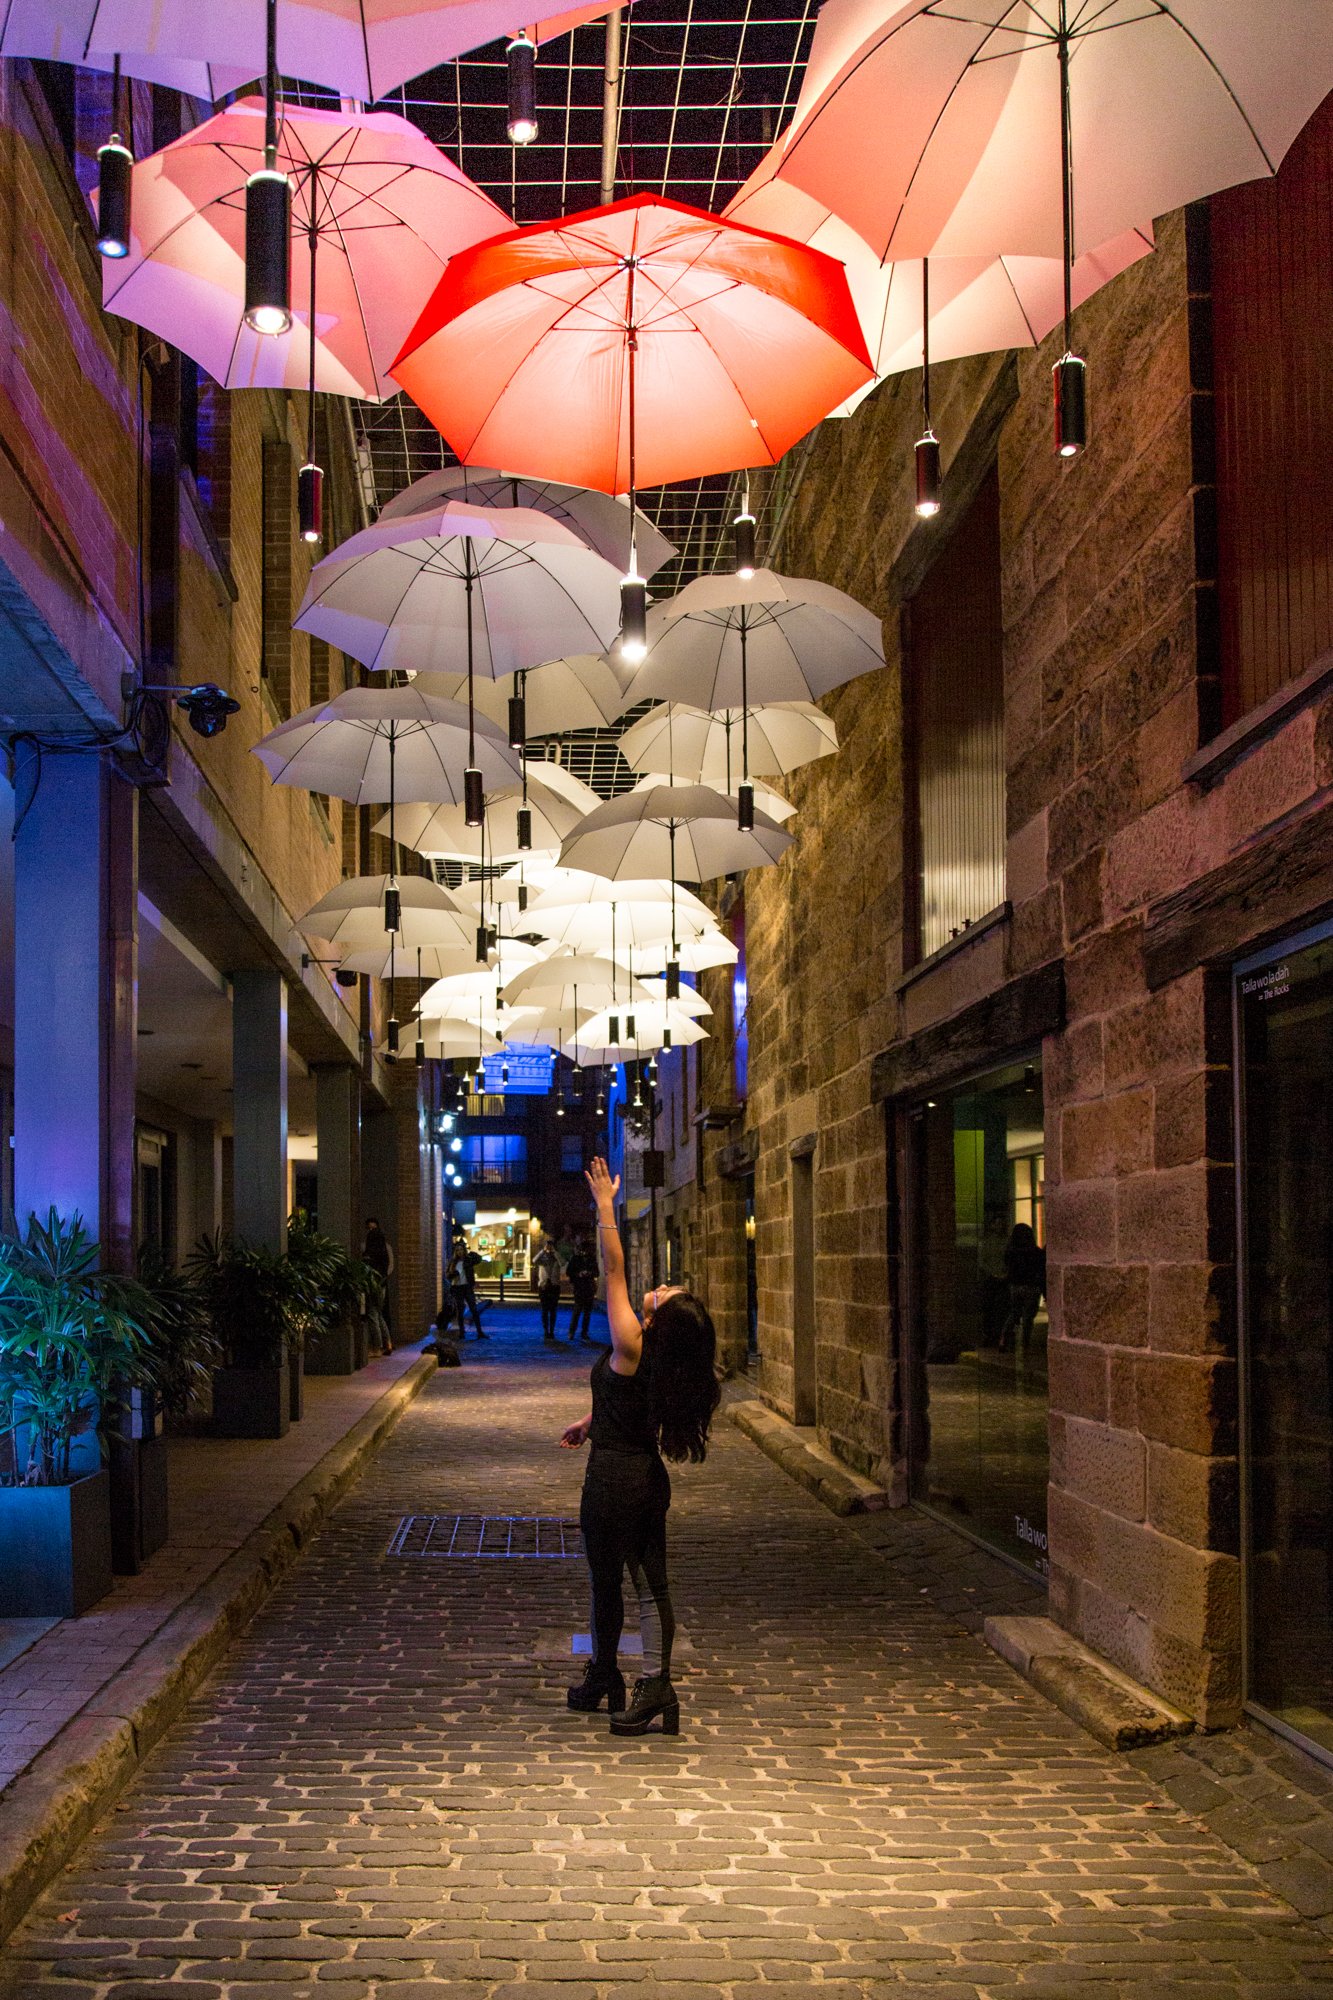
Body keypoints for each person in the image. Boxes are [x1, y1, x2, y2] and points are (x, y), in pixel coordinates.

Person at [559, 1157, 720, 1736]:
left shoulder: (632, 1343)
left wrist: (605, 1205)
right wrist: (589, 1420)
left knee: (609, 1582)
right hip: (645, 1477)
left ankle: (614, 1676)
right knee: (651, 1583)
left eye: (668, 1291)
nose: (661, 1287)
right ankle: (651, 1683)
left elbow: (614, 1270)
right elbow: (625, 1405)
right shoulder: (660, 1363)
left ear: (661, 1320)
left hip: (614, 1482)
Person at [998, 1222, 1046, 1354]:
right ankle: (1025, 1343)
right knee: (1028, 1317)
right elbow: (1040, 1266)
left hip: (1015, 1286)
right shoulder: (1034, 1251)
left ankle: (1003, 1339)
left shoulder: (1011, 1251)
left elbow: (1008, 1268)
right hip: (1031, 1287)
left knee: (1014, 1313)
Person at [362, 1218, 394, 1351]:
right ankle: (388, 1343)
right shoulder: (384, 1250)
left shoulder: (370, 1253)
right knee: (379, 1314)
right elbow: (389, 1266)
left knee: (373, 1314)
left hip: (374, 1283)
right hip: (382, 1283)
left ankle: (377, 1346)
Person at [447, 1236, 486, 1339]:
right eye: (457, 1250)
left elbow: (479, 1259)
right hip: (457, 1288)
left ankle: (480, 1332)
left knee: (473, 1309)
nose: (459, 1252)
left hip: (467, 1287)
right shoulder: (453, 1262)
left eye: (461, 1250)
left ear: (464, 1250)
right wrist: (453, 1274)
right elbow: (447, 1275)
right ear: (455, 1252)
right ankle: (461, 1332)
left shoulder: (469, 1260)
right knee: (460, 1310)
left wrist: (471, 1253)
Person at [565, 1232, 599, 1343]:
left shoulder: (591, 1259)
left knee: (587, 1313)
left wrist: (589, 1273)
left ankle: (584, 1333)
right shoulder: (575, 1259)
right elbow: (569, 1271)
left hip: (589, 1288)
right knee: (577, 1311)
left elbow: (596, 1272)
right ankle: (571, 1332)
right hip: (579, 1287)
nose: (587, 1251)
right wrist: (578, 1274)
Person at [533, 1235, 563, 1343]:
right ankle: (546, 1330)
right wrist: (543, 1251)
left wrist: (554, 1252)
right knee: (545, 1310)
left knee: (553, 1310)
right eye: (548, 1244)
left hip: (554, 1286)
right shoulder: (542, 1257)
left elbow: (562, 1263)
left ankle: (552, 1331)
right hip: (544, 1286)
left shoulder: (556, 1257)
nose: (549, 1246)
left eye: (551, 1245)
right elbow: (534, 1260)